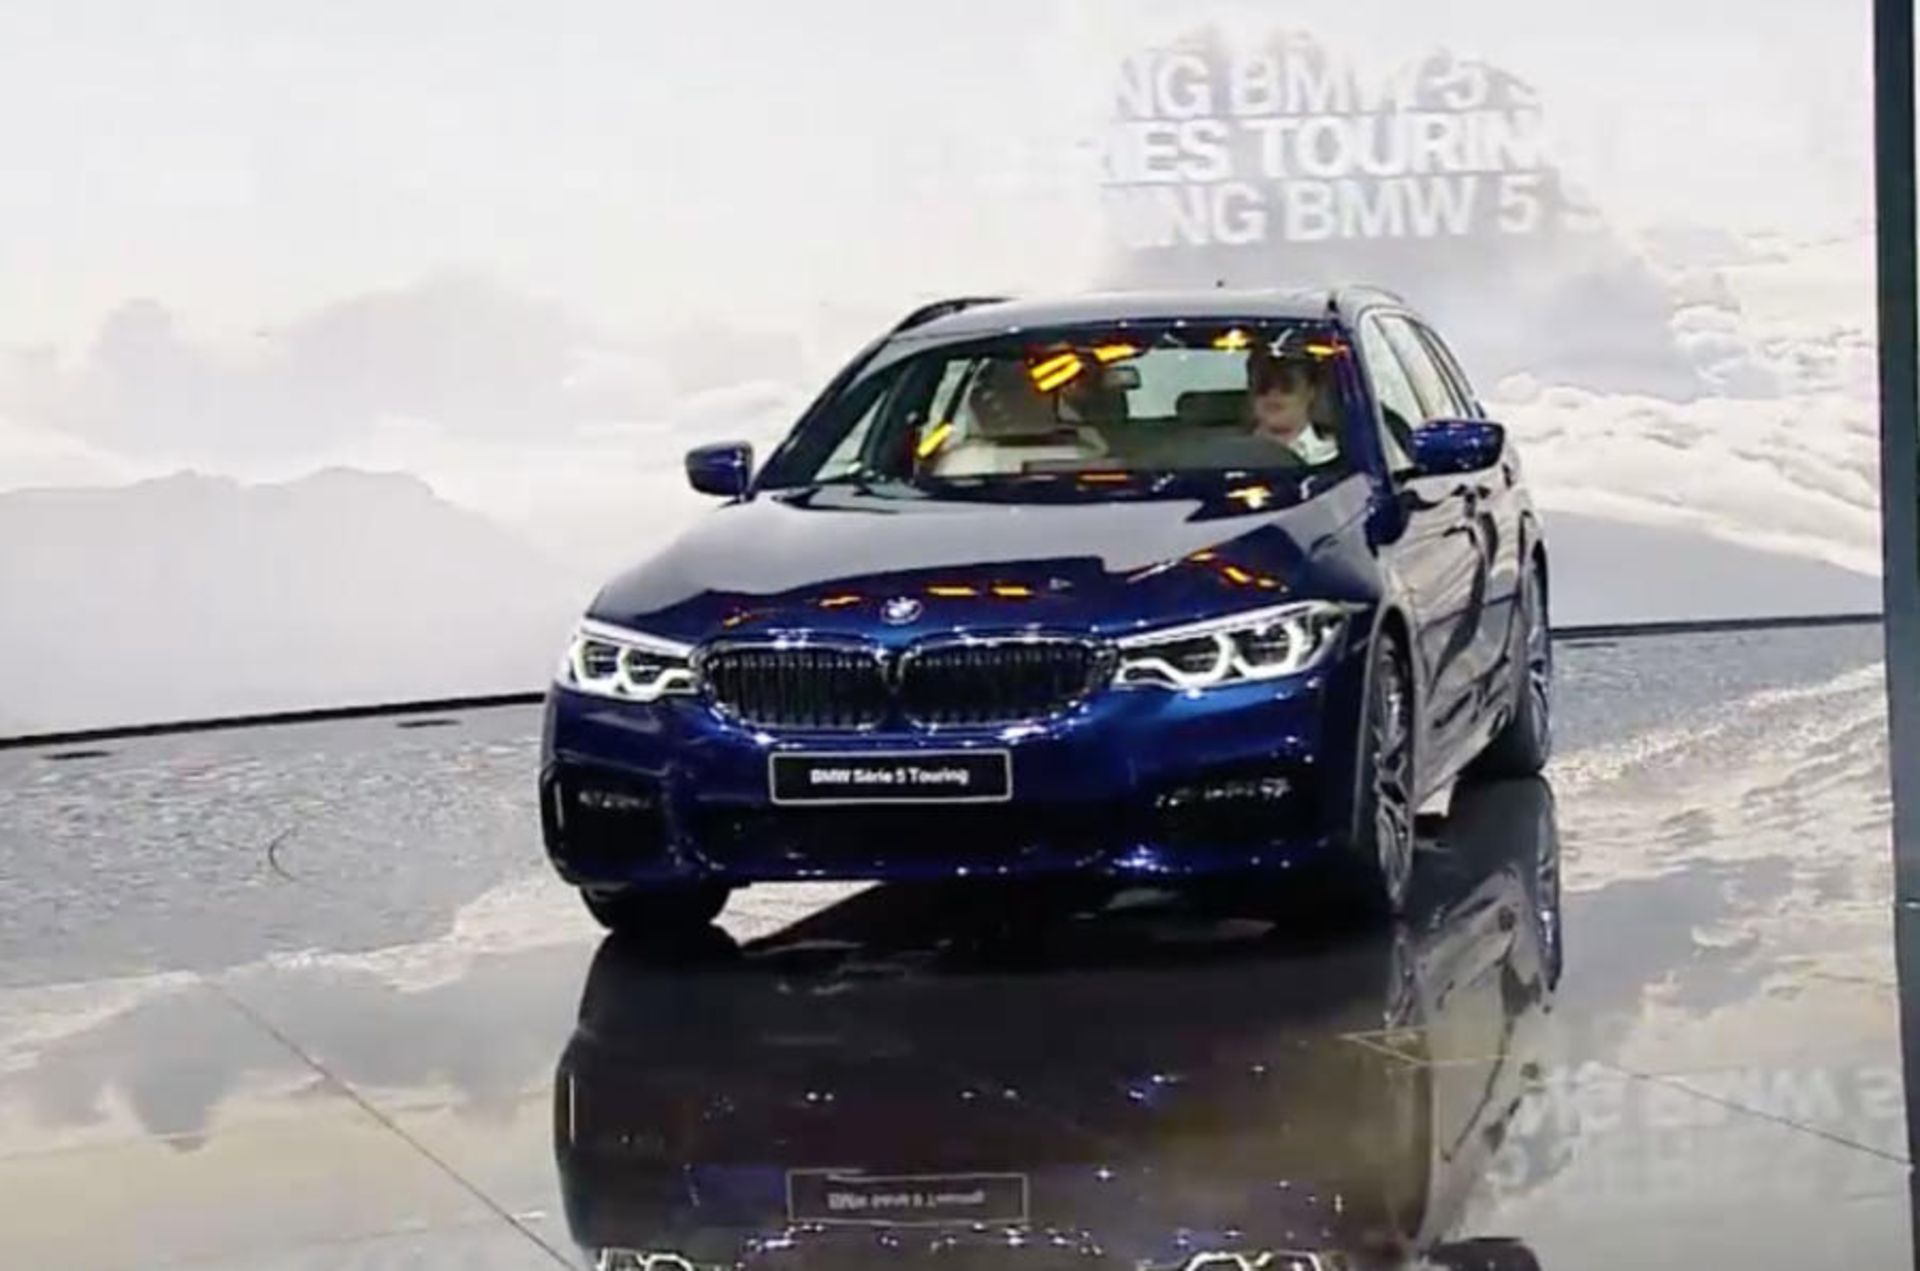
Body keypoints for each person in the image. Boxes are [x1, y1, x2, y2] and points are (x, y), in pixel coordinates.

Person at [1247, 351, 1340, 466]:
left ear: (1311, 392)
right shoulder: (1232, 455)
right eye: (1263, 385)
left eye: (1287, 385)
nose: (1273, 393)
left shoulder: (1333, 455)